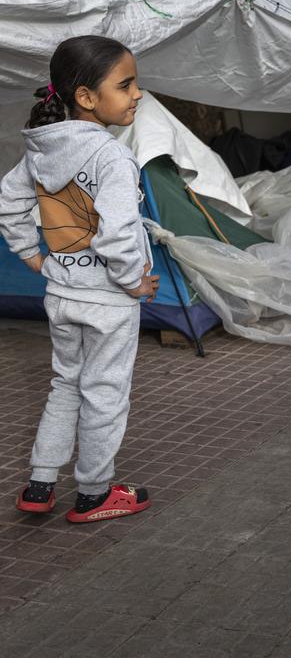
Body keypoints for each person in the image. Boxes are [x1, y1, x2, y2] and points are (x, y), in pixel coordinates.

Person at [0, 35, 160, 523]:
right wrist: (133, 281)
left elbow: (8, 202)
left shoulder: (43, 150)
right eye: (126, 84)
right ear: (87, 97)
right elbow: (117, 235)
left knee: (65, 385)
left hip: (62, 295)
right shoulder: (111, 157)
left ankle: (41, 482)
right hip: (108, 303)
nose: (137, 94)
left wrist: (31, 256)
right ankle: (93, 493)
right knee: (105, 393)